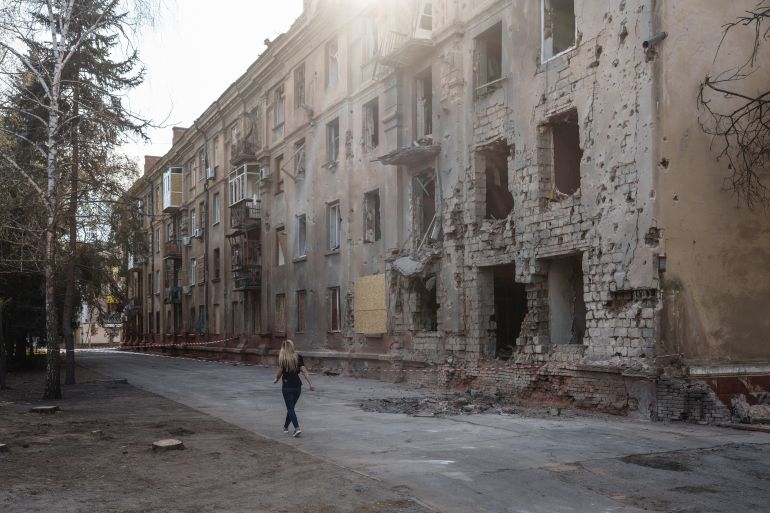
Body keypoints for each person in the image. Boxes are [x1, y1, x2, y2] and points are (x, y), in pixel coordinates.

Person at [274, 339, 314, 437]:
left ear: (283, 348)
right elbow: (304, 371)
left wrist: (276, 379)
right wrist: (310, 384)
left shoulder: (282, 359)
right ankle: (285, 427)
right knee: (291, 408)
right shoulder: (298, 357)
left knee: (290, 408)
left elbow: (279, 372)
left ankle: (297, 428)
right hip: (297, 387)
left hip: (287, 387)